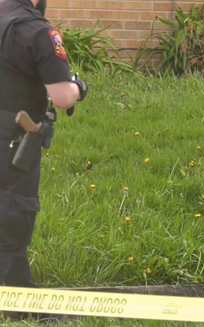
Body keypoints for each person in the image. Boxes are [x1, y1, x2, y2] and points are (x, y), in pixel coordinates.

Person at [0, 0, 87, 321]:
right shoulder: (37, 31)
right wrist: (79, 86)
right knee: (12, 216)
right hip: (12, 144)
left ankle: (24, 308)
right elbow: (62, 97)